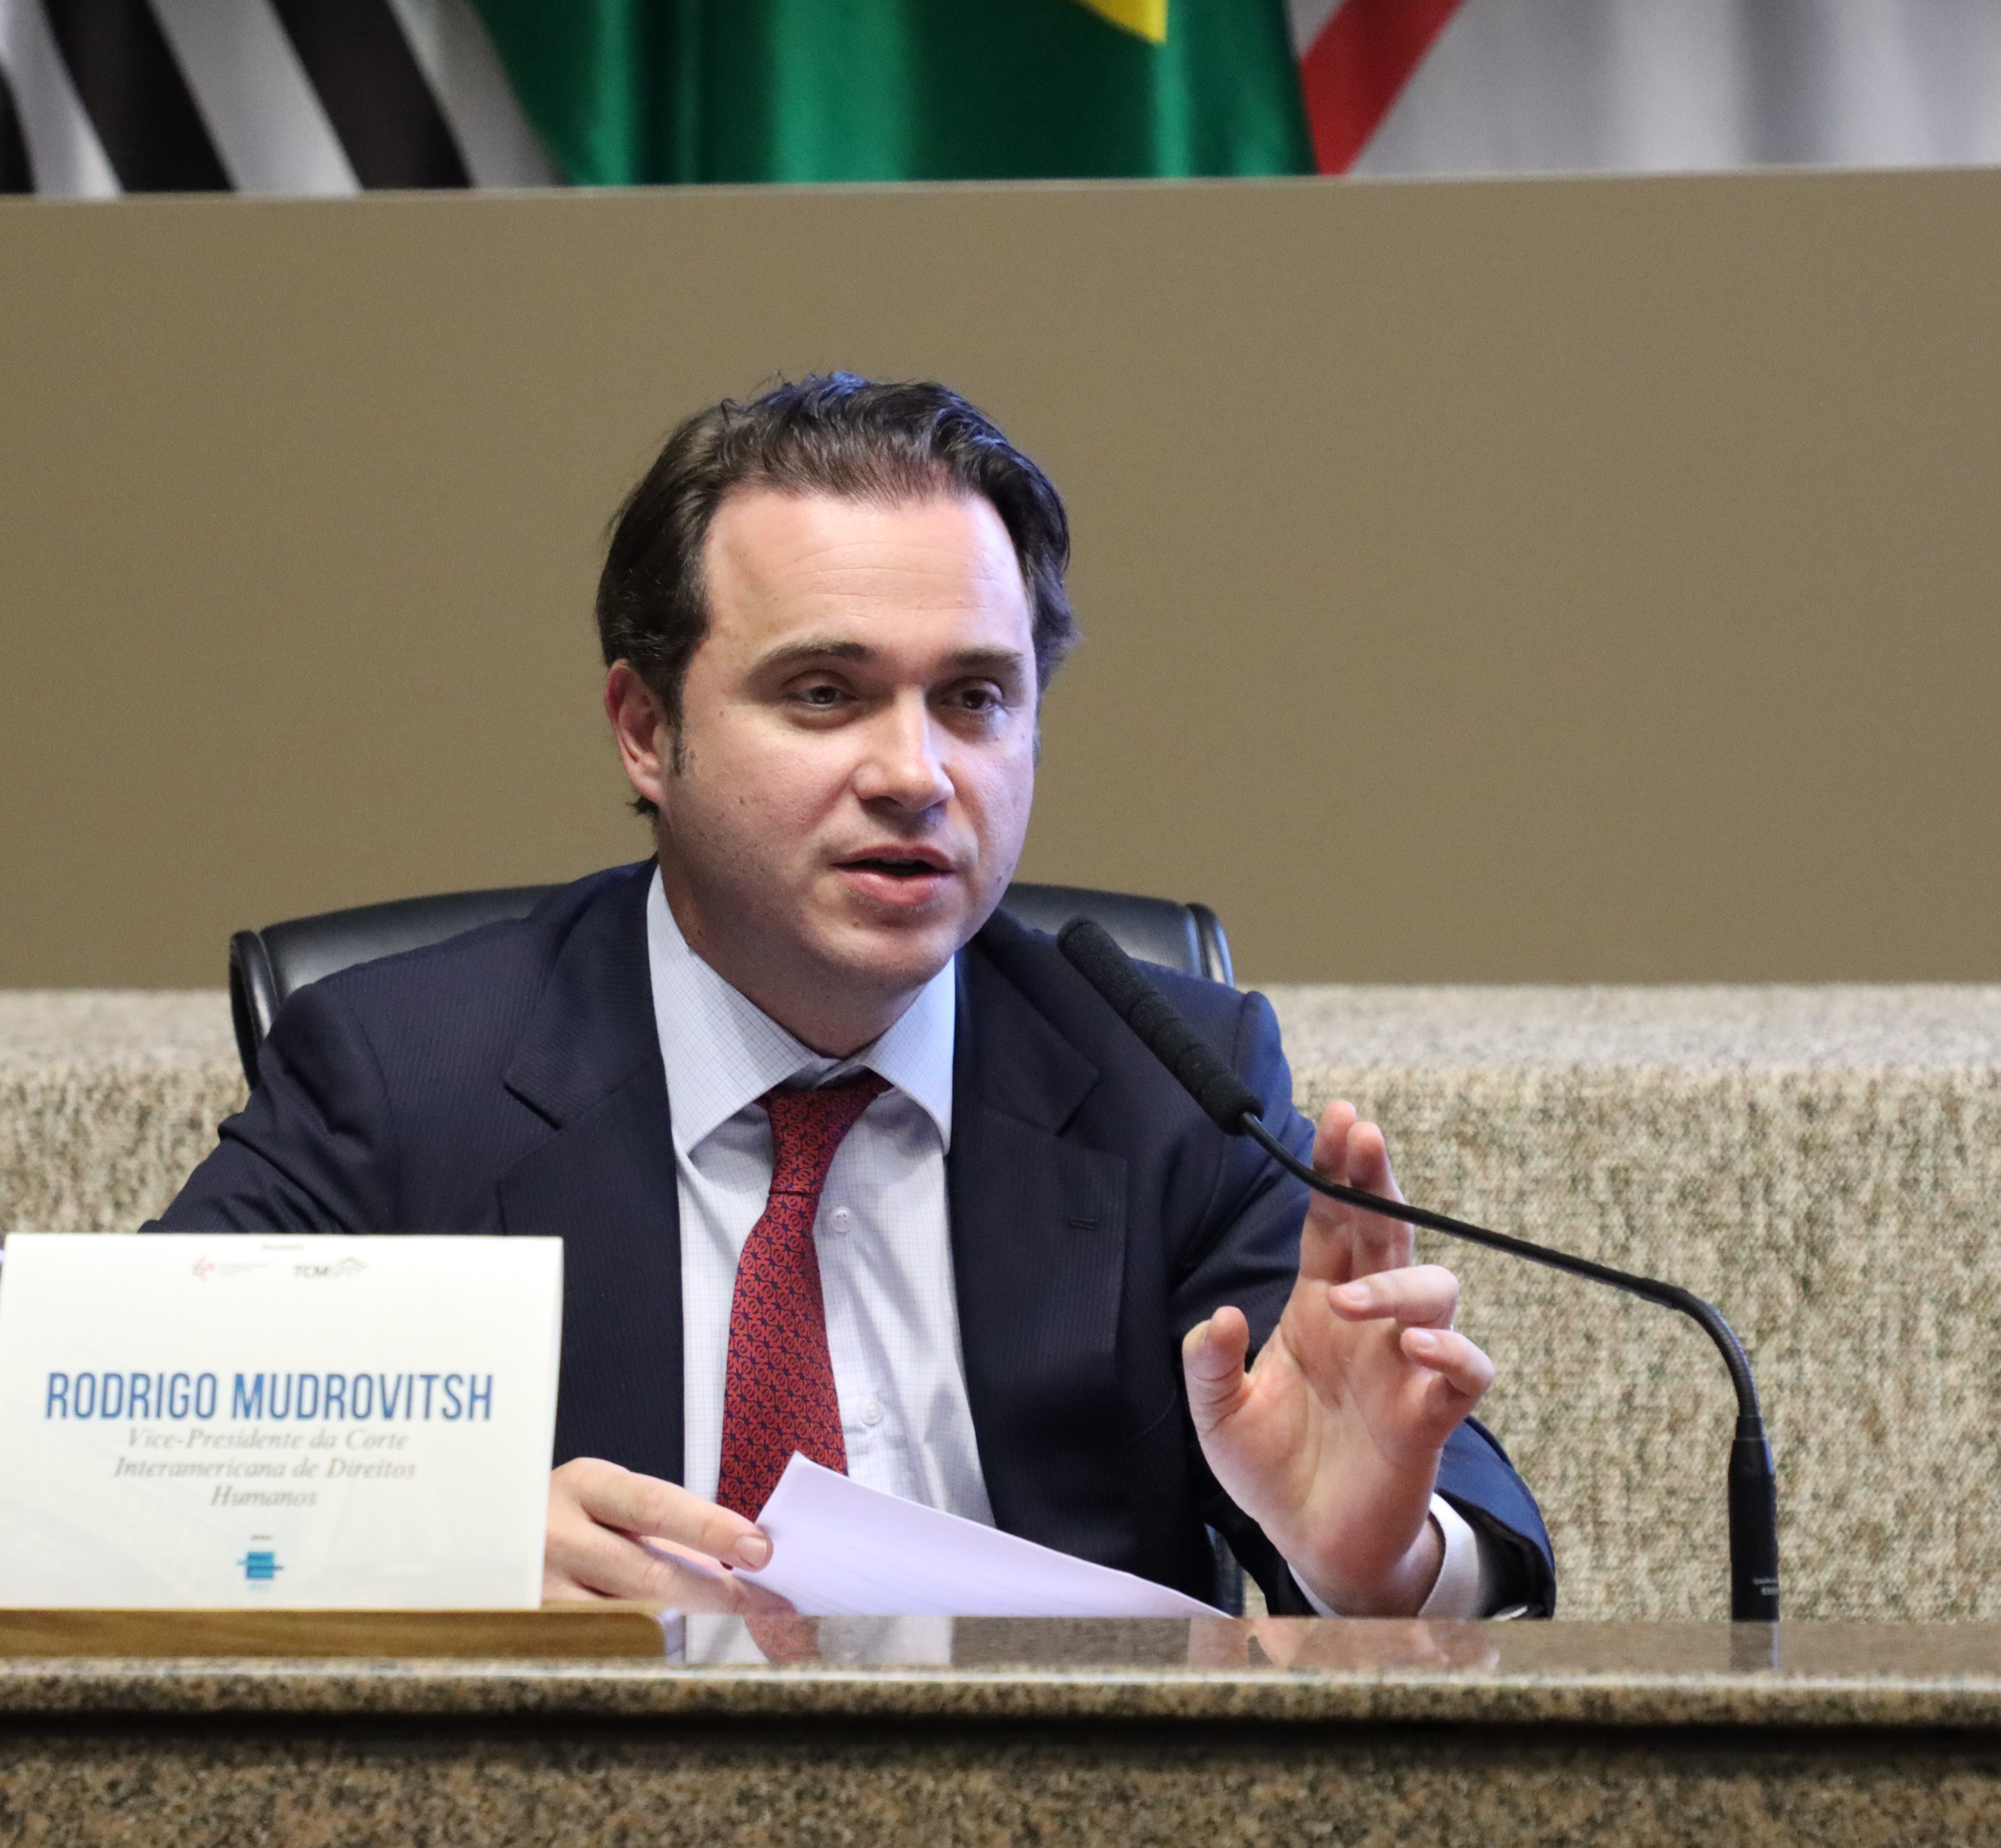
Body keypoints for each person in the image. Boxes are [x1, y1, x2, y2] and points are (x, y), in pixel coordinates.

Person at [151, 375, 1555, 1618]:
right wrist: (428, 1549)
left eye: (976, 699)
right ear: (646, 729)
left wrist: (1381, 1564)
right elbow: (60, 1488)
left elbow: (1445, 1534)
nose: (916, 775)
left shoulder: (1170, 1084)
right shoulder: (405, 1076)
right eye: (825, 693)